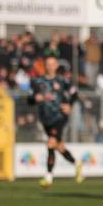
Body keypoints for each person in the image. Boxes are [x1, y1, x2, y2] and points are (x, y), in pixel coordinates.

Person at [31, 55, 83, 189]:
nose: (50, 66)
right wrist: (35, 98)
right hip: (45, 118)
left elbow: (75, 93)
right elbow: (31, 100)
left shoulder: (62, 80)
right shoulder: (38, 81)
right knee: (59, 146)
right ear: (45, 65)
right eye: (48, 64)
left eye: (53, 64)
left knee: (51, 143)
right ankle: (77, 163)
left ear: (56, 66)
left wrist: (69, 105)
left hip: (59, 116)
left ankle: (48, 177)